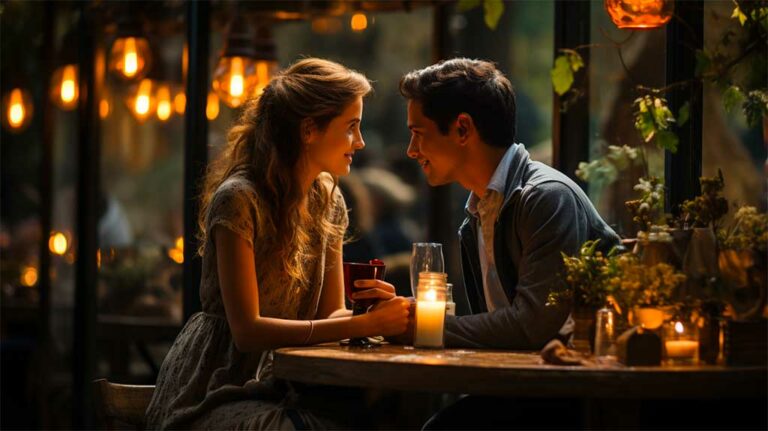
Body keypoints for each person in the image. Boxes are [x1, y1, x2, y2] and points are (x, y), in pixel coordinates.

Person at [145, 58, 410, 430]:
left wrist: (372, 316)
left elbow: (329, 314)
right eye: (351, 127)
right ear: (309, 130)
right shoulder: (239, 200)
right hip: (214, 388)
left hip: (285, 384)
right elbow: (247, 331)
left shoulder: (327, 201)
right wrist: (359, 325)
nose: (361, 142)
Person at [398, 58, 620, 429]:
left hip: (578, 400)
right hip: (522, 390)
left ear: (462, 128)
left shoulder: (546, 197)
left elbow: (532, 327)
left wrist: (420, 324)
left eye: (418, 133)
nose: (411, 149)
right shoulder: (479, 213)